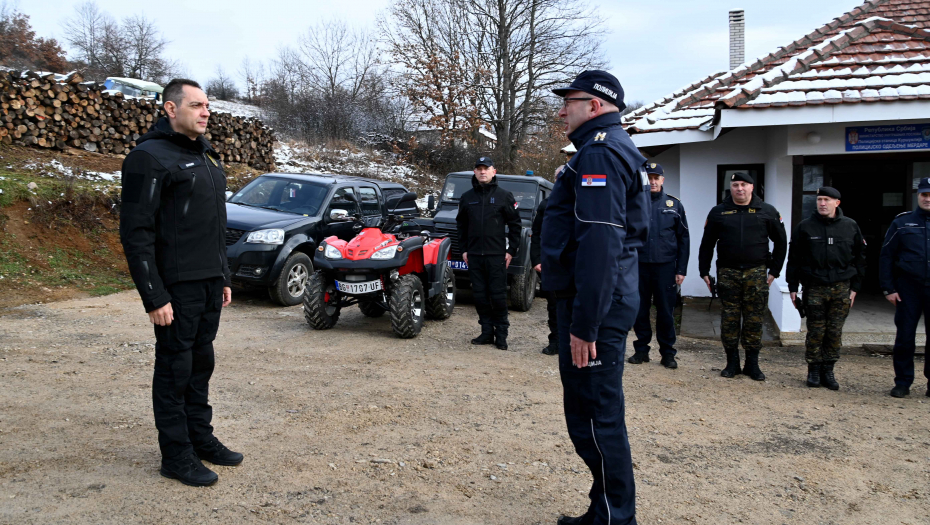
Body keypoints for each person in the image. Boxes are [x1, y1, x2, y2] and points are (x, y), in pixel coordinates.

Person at [120, 78, 243, 487]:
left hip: (208, 283)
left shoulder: (207, 157)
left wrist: (222, 275)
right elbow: (136, 233)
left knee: (200, 364)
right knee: (175, 370)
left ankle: (199, 439)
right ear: (171, 109)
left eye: (207, 105)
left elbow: (215, 225)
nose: (205, 111)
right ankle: (176, 456)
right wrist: (153, 295)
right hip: (176, 288)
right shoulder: (148, 158)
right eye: (196, 105)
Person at [542, 70, 649, 525]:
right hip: (601, 299)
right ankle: (603, 510)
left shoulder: (601, 153)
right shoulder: (602, 148)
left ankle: (614, 518)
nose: (563, 110)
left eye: (572, 101)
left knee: (596, 416)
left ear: (598, 105)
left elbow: (601, 244)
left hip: (596, 308)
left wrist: (585, 324)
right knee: (590, 413)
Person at [698, 172, 787, 381]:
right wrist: (704, 271)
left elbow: (782, 242)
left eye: (744, 184)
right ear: (731, 188)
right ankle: (732, 363)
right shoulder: (718, 212)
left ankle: (752, 364)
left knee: (754, 320)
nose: (739, 188)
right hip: (728, 273)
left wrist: (774, 271)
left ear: (752, 187)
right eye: (735, 184)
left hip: (756, 273)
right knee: (729, 319)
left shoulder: (767, 211)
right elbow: (707, 244)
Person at [786, 187, 866, 390]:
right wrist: (793, 286)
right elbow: (794, 259)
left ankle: (828, 370)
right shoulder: (805, 227)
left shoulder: (850, 226)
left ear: (837, 203)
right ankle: (813, 369)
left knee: (834, 331)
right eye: (819, 199)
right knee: (815, 330)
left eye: (827, 200)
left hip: (841, 287)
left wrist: (855, 287)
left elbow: (860, 258)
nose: (822, 203)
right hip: (814, 286)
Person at [456, 157, 521, 350]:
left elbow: (515, 225)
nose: (482, 172)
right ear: (474, 172)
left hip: (496, 256)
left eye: (486, 169)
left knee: (498, 296)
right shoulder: (467, 197)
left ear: (494, 171)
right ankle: (486, 332)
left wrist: (511, 250)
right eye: (479, 169)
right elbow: (461, 225)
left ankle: (501, 334)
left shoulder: (504, 196)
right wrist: (464, 249)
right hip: (475, 256)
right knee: (480, 296)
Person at [629, 162, 689, 369]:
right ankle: (641, 350)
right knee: (640, 310)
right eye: (649, 177)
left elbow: (684, 239)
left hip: (665, 268)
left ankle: (668, 353)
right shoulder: (634, 202)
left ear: (663, 180)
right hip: (639, 266)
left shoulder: (674, 205)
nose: (653, 181)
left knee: (665, 312)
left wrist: (681, 269)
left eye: (656, 178)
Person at [879, 177, 930, 398]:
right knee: (905, 337)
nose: (928, 199)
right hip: (909, 288)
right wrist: (888, 288)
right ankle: (902, 382)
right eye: (925, 195)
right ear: (918, 196)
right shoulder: (902, 223)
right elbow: (886, 256)